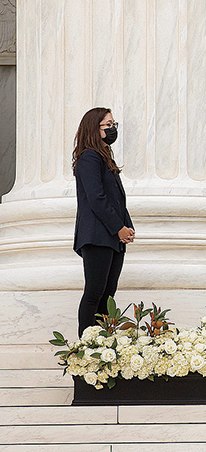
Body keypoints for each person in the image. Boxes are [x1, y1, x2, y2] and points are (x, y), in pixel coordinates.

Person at [73, 107, 135, 337]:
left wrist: (127, 226)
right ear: (93, 128)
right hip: (97, 235)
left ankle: (102, 341)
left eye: (113, 125)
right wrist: (118, 228)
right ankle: (86, 344)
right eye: (107, 125)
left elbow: (117, 199)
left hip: (112, 236)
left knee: (108, 294)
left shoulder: (104, 157)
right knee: (94, 292)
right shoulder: (89, 157)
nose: (112, 129)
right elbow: (97, 198)